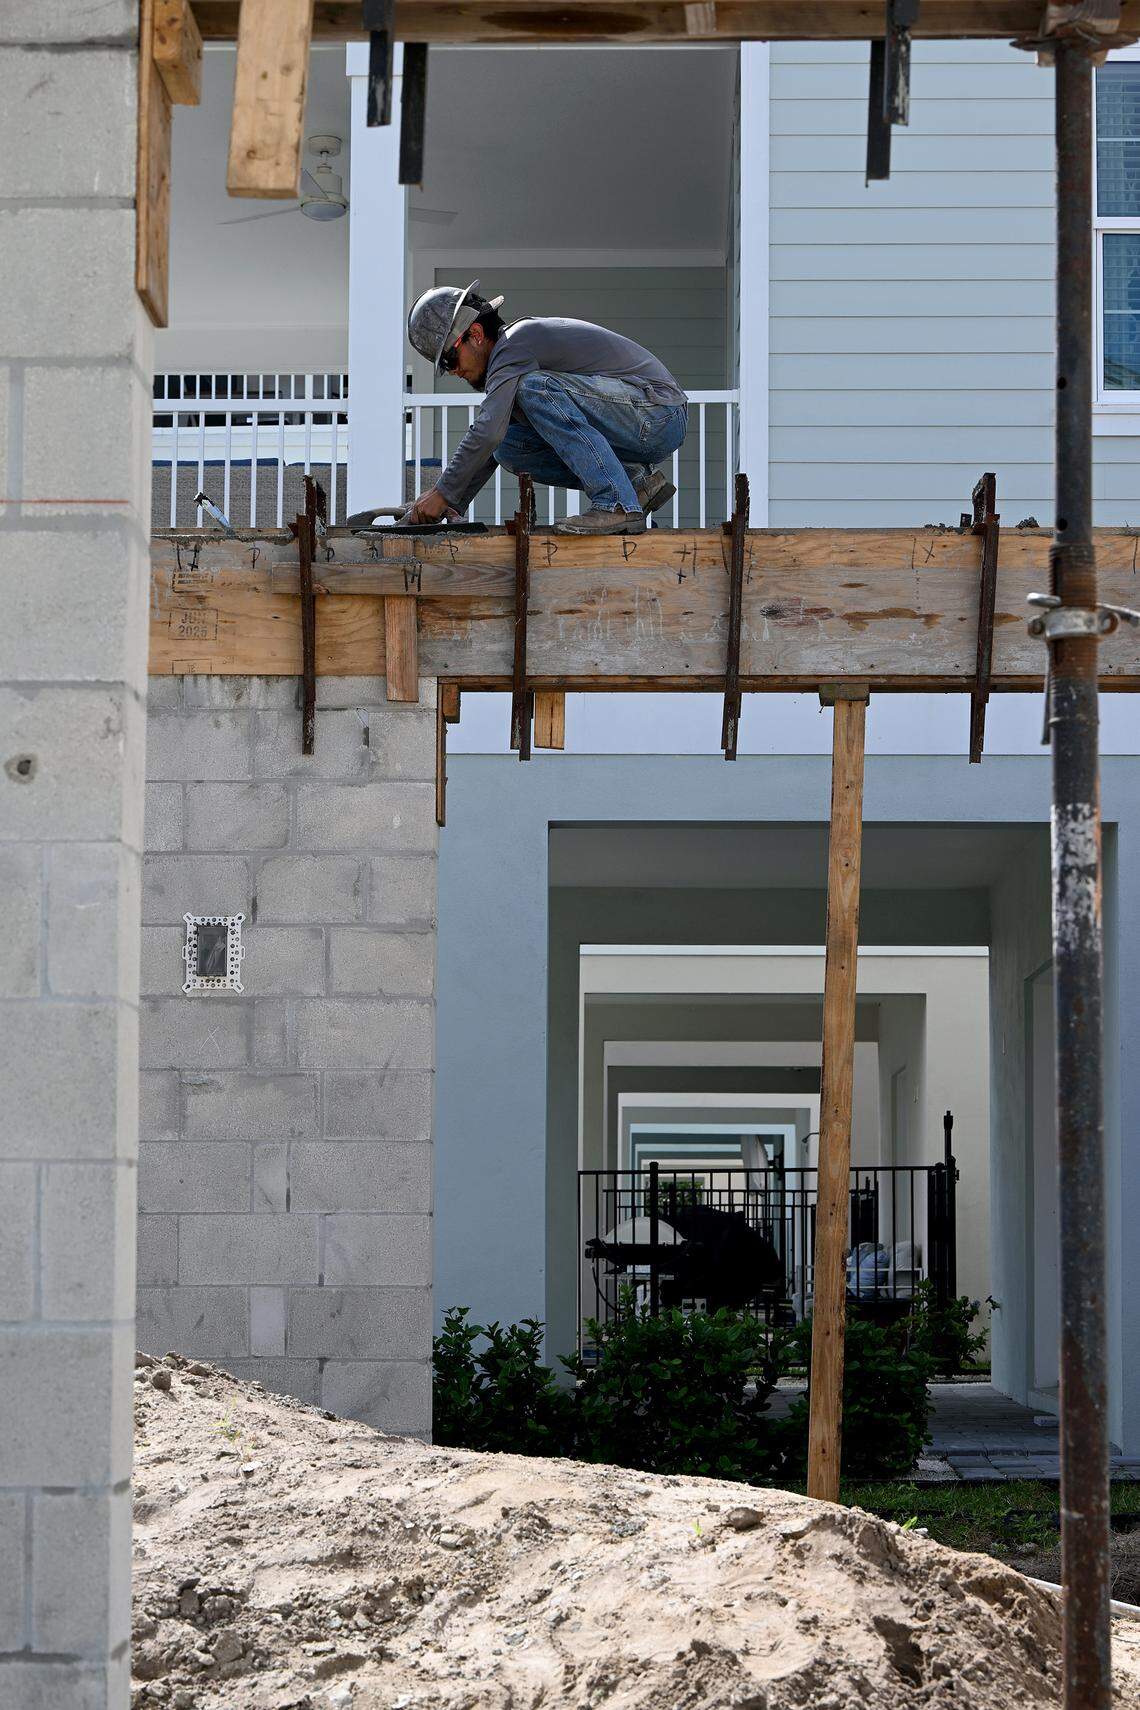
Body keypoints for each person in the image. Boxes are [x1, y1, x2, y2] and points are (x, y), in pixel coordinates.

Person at [402, 280, 688, 536]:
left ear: (475, 334)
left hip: (658, 413)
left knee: (533, 388)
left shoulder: (515, 343)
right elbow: (492, 442)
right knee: (507, 447)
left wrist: (442, 491)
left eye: (450, 359)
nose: (452, 371)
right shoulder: (511, 360)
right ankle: (633, 484)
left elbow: (487, 430)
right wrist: (449, 504)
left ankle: (615, 502)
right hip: (640, 421)